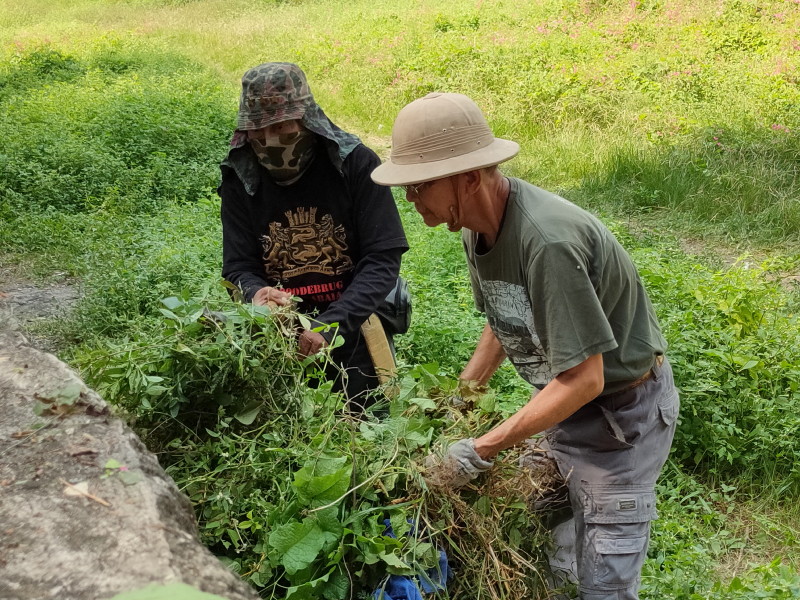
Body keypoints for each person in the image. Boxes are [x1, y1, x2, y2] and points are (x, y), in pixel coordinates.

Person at [371, 92, 679, 600]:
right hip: (566, 411)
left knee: (604, 583)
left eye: (420, 185)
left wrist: (482, 447)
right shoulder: (478, 227)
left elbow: (586, 379)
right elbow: (504, 316)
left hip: (620, 423)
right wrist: (461, 399)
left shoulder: (548, 244)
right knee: (555, 550)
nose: (411, 200)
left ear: (470, 177)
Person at [219, 62, 408, 410]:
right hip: (279, 338)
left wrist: (329, 326)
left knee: (368, 426)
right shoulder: (240, 178)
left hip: (356, 329)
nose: (270, 139)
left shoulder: (354, 164)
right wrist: (255, 291)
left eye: (281, 126)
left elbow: (382, 259)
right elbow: (237, 265)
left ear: (306, 118)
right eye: (260, 131)